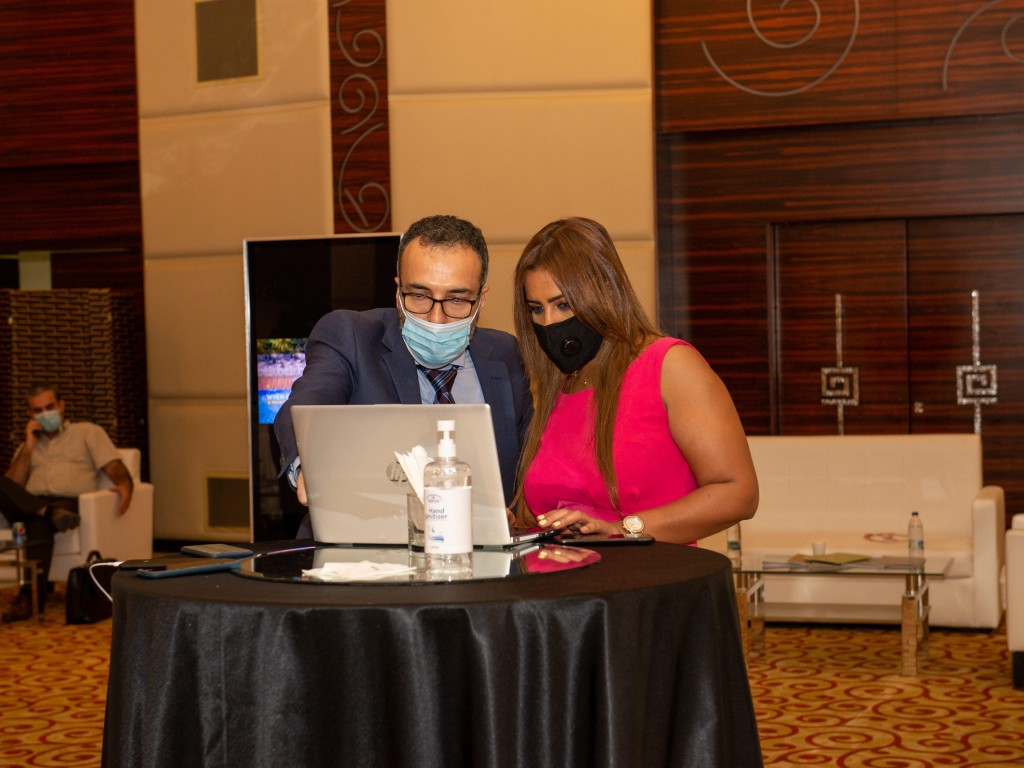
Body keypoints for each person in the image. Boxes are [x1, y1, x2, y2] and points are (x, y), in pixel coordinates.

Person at [275, 214, 532, 538]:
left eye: (456, 300)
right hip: (362, 557)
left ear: (481, 299)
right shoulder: (351, 337)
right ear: (398, 291)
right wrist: (310, 461)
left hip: (482, 562)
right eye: (420, 296)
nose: (436, 319)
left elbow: (531, 463)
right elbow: (307, 403)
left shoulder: (506, 355)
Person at [512, 216, 758, 544]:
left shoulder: (670, 366)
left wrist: (624, 529)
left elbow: (739, 493)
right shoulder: (558, 385)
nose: (549, 322)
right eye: (536, 309)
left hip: (651, 573)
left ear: (603, 294)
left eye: (563, 304)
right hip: (565, 575)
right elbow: (544, 510)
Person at [1, 384, 134, 622]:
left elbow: (112, 465)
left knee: (36, 522)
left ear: (61, 406)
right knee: (7, 489)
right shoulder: (28, 445)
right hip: (36, 502)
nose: (45, 413)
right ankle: (47, 511)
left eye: (49, 407)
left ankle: (28, 597)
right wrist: (29, 445)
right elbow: (12, 486)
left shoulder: (87, 432)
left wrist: (126, 484)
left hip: (69, 503)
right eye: (38, 410)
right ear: (30, 414)